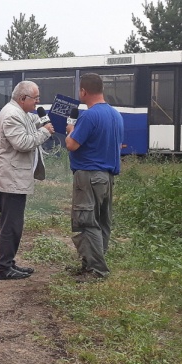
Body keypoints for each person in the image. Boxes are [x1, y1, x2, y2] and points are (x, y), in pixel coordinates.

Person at [0, 81, 54, 280]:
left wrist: (43, 121)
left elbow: (30, 121)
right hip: (10, 181)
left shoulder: (20, 113)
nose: (38, 102)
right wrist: (45, 132)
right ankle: (3, 268)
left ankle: (9, 263)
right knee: (11, 226)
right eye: (36, 98)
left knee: (12, 224)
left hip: (12, 180)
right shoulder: (11, 115)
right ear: (23, 98)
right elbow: (23, 143)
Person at [65, 72, 124, 281]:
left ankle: (97, 270)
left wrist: (71, 129)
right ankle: (90, 265)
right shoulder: (115, 115)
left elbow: (71, 145)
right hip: (107, 177)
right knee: (101, 221)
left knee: (86, 222)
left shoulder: (89, 116)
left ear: (83, 91)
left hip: (89, 176)